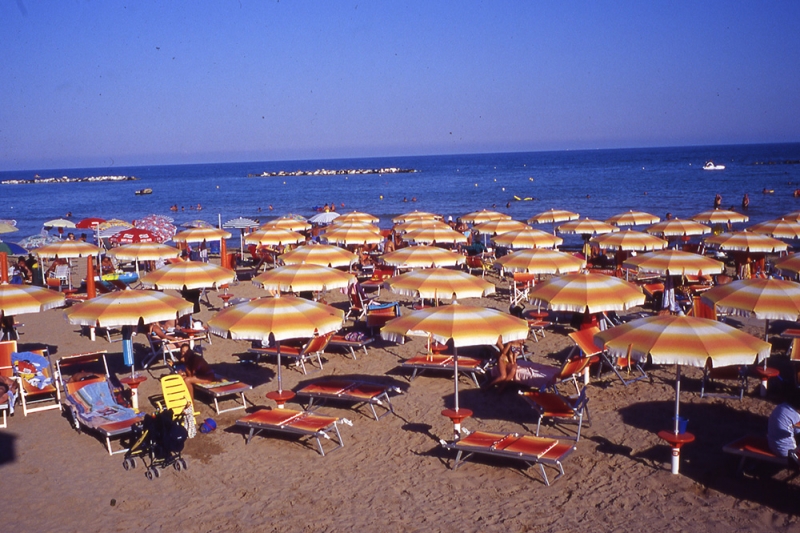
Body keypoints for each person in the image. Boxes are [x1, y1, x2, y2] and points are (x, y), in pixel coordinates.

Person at [767, 399, 800, 468]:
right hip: (788, 453)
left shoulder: (780, 407)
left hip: (772, 445)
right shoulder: (795, 416)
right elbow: (798, 436)